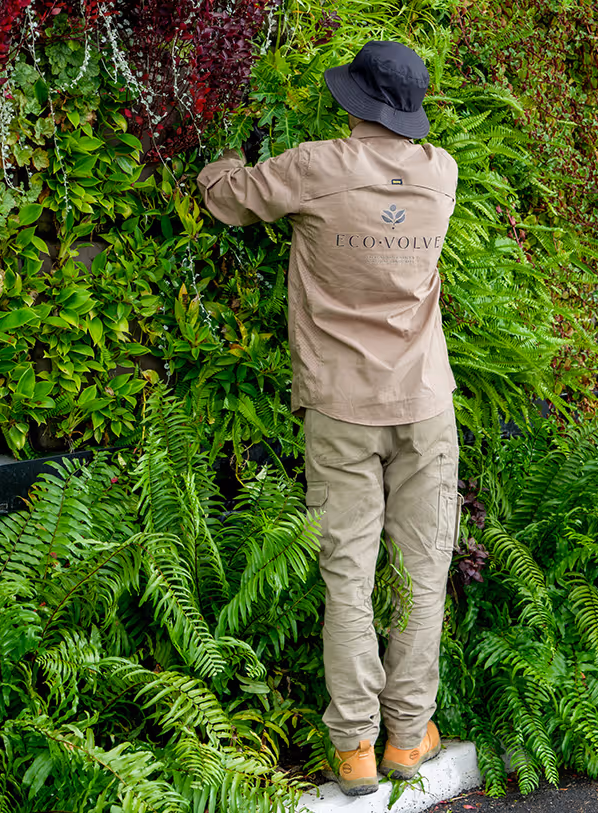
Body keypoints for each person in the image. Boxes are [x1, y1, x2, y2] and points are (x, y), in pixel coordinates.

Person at [197, 41, 460, 796]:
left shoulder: (316, 166)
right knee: (423, 570)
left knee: (349, 574)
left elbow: (230, 198)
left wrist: (217, 161)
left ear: (355, 102)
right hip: (425, 402)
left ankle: (354, 746)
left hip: (342, 404)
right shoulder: (441, 173)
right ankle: (409, 735)